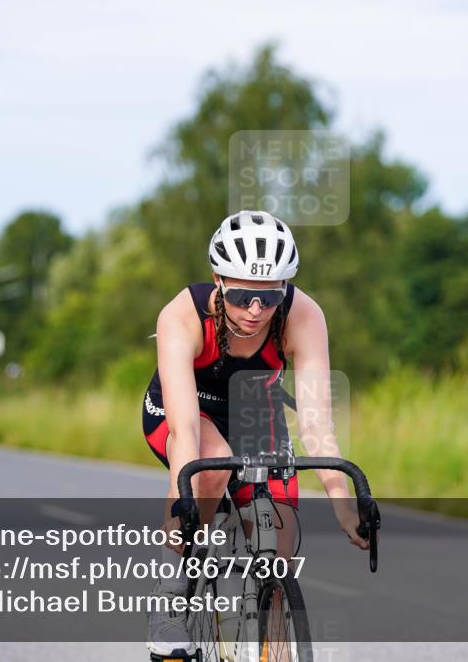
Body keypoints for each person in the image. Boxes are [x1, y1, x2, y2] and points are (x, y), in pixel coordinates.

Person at [142, 210, 368, 657]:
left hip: (253, 409)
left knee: (280, 542)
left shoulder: (302, 316)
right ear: (218, 280)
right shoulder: (182, 315)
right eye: (243, 295)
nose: (255, 311)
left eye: (269, 298)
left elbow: (317, 424)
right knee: (208, 471)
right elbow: (185, 428)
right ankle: (169, 605)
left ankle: (269, 642)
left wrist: (344, 505)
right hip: (189, 409)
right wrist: (179, 498)